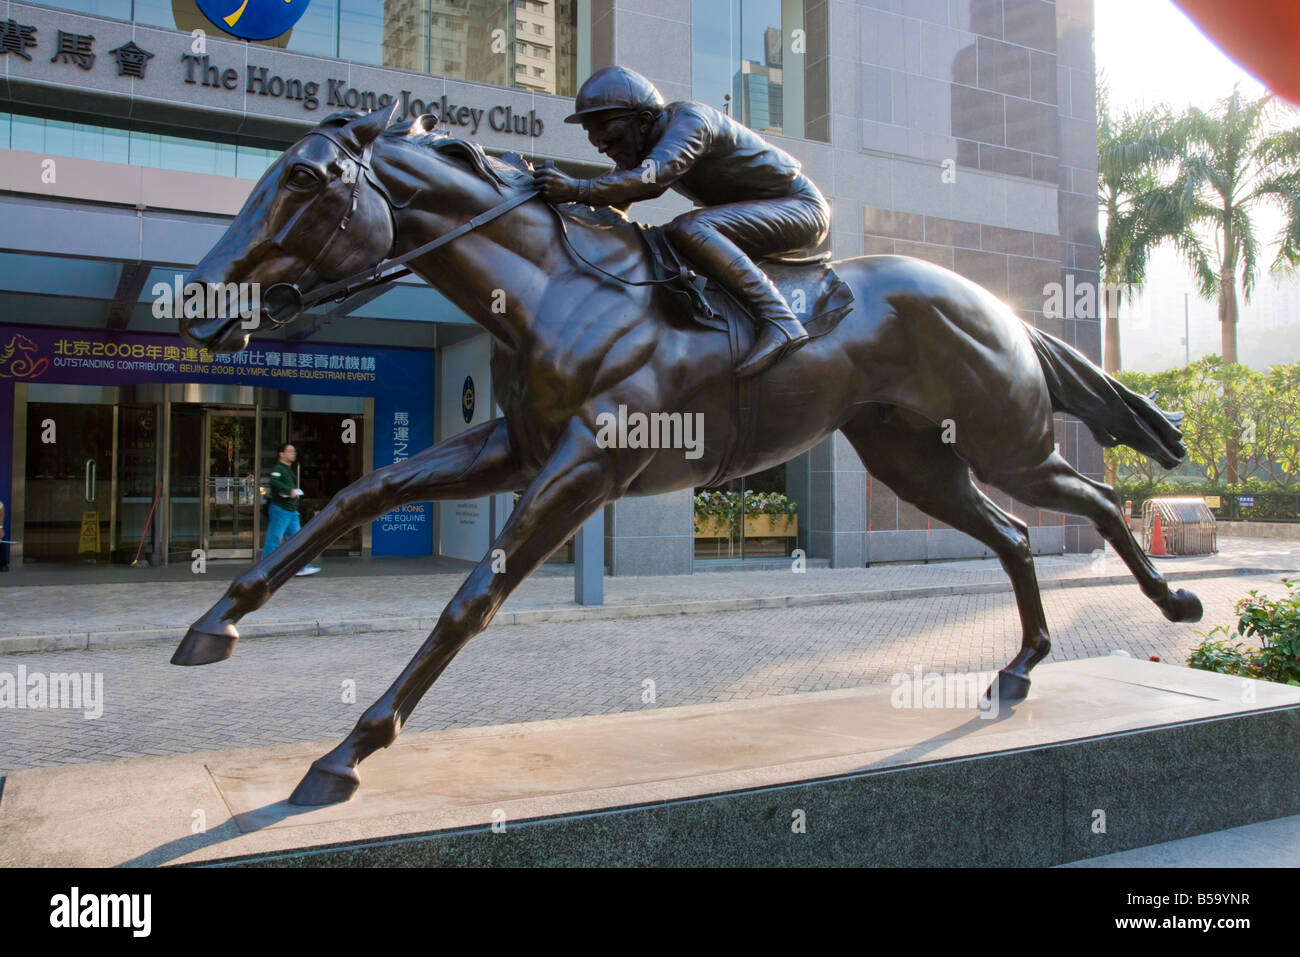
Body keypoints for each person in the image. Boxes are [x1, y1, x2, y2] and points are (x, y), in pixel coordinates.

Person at [534, 65, 832, 378]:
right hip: (773, 208)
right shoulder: (653, 145)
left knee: (690, 228)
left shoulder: (691, 123)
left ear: (644, 121)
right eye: (598, 142)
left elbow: (650, 179)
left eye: (612, 137)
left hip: (801, 208)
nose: (604, 148)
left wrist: (577, 188)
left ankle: (780, 320)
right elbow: (617, 200)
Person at [262, 442, 321, 575]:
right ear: (281, 454)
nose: (293, 454)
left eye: (294, 451)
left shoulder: (287, 469)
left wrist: (295, 508)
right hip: (280, 510)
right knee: (274, 539)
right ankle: (265, 568)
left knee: (298, 541)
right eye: (290, 451)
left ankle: (301, 567)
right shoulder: (278, 469)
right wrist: (289, 491)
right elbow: (274, 482)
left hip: (290, 511)